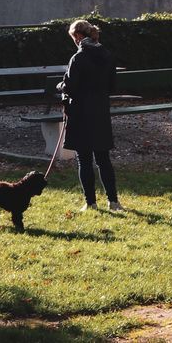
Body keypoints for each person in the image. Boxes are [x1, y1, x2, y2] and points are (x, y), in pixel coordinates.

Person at [59, 19, 122, 212]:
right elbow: (112, 86)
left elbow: (70, 86)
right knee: (104, 159)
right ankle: (113, 202)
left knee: (84, 158)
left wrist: (61, 86)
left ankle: (91, 203)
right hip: (101, 111)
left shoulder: (78, 58)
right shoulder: (107, 55)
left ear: (78, 36)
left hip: (81, 112)